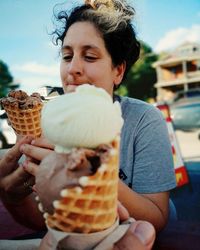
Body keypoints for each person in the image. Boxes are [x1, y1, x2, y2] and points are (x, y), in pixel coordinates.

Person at [0, 0, 176, 247]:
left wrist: (87, 171)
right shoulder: (49, 123)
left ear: (118, 71)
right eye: (67, 56)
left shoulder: (144, 120)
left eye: (90, 56)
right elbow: (45, 222)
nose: (72, 69)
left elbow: (157, 218)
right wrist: (13, 196)